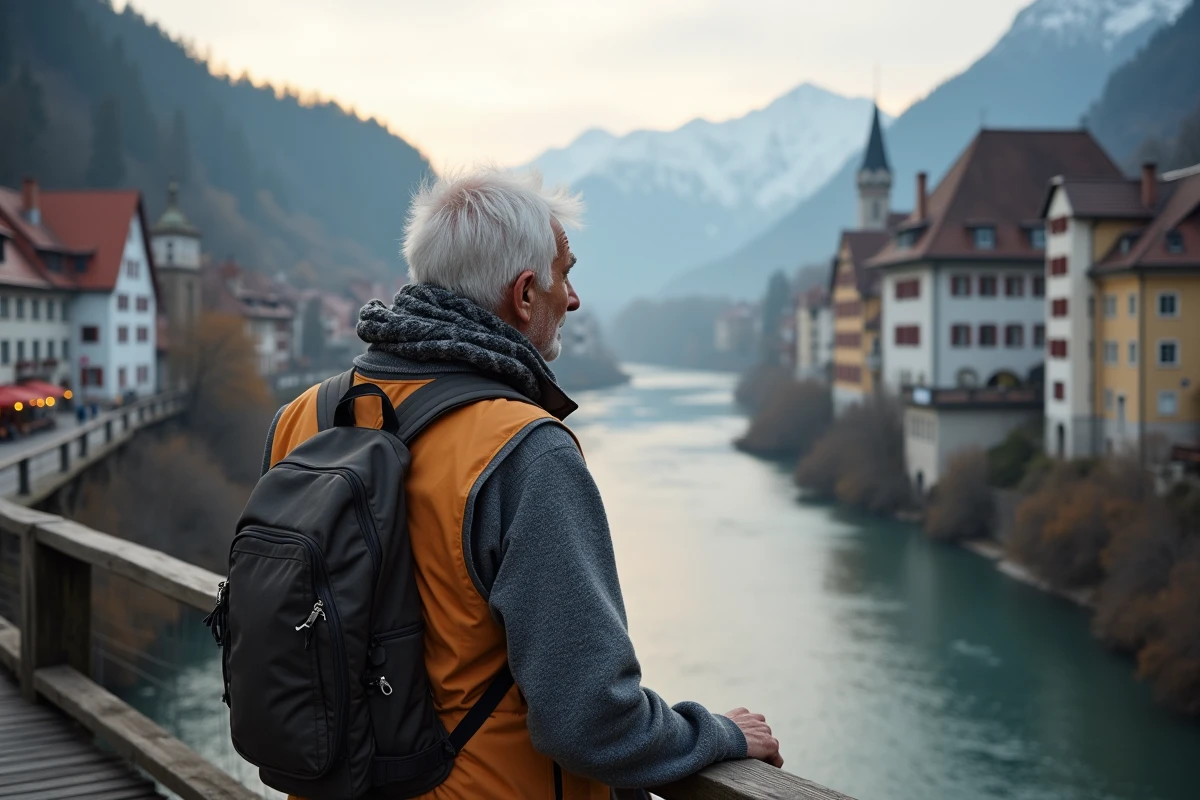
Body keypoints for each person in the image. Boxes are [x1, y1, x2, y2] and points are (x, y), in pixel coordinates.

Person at [264, 169, 782, 799]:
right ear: (526, 293)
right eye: (566, 272)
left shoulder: (301, 419)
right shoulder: (524, 449)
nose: (575, 297)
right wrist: (717, 733)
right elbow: (591, 722)